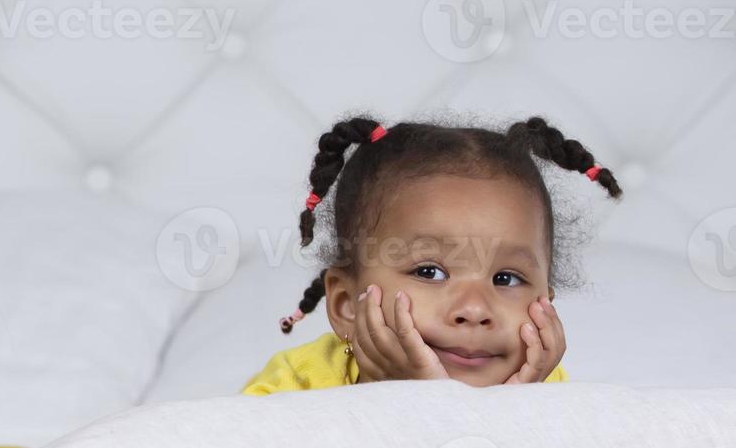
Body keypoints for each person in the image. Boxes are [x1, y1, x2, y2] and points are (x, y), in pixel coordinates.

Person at [241, 114, 621, 395]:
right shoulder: (294, 389)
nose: (474, 309)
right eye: (429, 272)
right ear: (346, 304)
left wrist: (517, 413)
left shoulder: (547, 391)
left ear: (546, 306)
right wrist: (402, 398)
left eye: (506, 278)